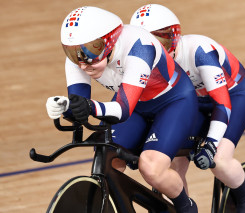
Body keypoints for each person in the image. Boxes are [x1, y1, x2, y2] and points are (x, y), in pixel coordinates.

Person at [45, 6, 199, 213]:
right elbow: (80, 105)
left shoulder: (139, 47)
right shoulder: (79, 57)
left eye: (92, 50)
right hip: (136, 103)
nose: (82, 62)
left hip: (173, 103)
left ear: (110, 41)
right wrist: (64, 107)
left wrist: (89, 106)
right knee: (108, 156)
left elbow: (122, 110)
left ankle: (186, 207)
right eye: (73, 52)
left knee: (151, 167)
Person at [130, 4, 245, 213]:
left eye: (161, 40)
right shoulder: (144, 62)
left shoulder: (199, 51)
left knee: (219, 160)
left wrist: (211, 144)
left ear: (175, 36)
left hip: (233, 97)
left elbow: (222, 103)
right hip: (194, 102)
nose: (156, 49)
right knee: (171, 162)